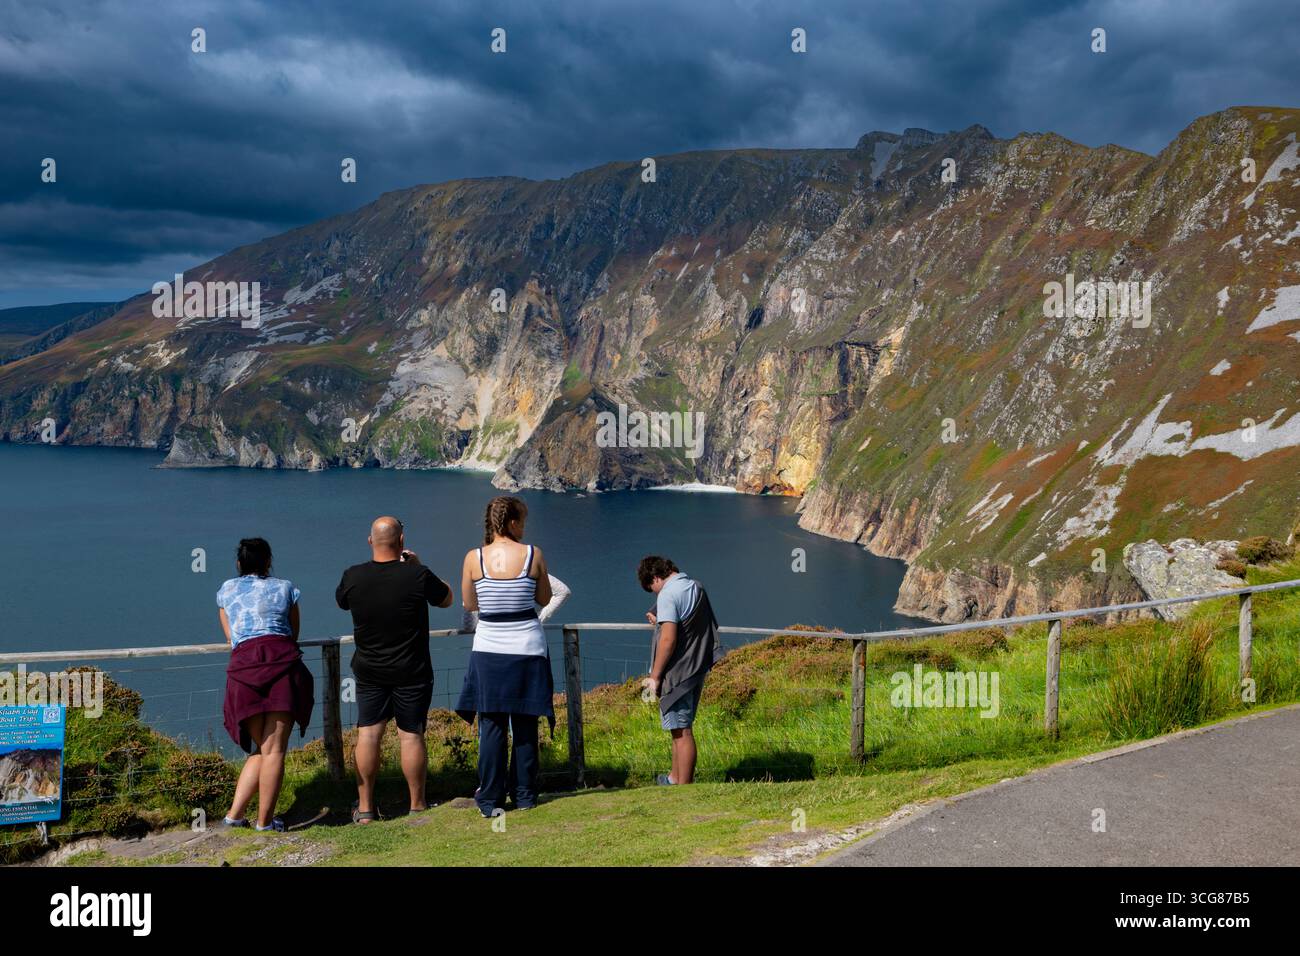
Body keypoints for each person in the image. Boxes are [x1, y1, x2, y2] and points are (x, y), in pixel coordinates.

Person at [335, 516, 453, 823]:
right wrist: (416, 566)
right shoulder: (417, 575)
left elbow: (342, 602)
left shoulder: (353, 576)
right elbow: (446, 599)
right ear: (401, 542)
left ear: (370, 540)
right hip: (411, 669)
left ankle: (365, 809)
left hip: (370, 670)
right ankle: (417, 806)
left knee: (369, 735)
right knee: (411, 736)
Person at [456, 496, 556, 817]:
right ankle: (525, 795)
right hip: (527, 649)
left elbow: (470, 604)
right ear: (512, 522)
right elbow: (544, 598)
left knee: (492, 726)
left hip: (488, 650)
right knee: (526, 724)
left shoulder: (473, 558)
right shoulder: (533, 554)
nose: (525, 527)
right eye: (523, 521)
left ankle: (490, 799)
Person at [218, 538, 314, 832]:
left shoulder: (227, 590)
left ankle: (234, 816)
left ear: (239, 564)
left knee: (261, 749)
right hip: (279, 665)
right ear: (268, 561)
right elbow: (293, 633)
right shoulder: (286, 588)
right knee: (274, 751)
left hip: (244, 669)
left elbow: (231, 639)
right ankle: (265, 823)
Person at [637, 556, 721, 786]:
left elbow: (668, 639)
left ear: (655, 578)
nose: (655, 594)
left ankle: (683, 788)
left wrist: (655, 677)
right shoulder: (695, 586)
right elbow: (690, 625)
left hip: (678, 673)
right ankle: (674, 778)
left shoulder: (667, 594)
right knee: (678, 728)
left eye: (651, 588)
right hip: (696, 667)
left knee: (682, 731)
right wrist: (662, 620)